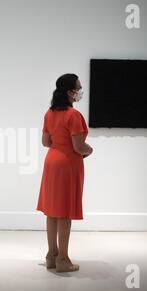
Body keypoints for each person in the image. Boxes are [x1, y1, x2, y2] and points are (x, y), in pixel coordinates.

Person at [36, 73, 93, 272]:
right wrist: (90, 150)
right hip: (67, 165)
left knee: (52, 211)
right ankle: (63, 259)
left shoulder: (49, 113)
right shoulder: (73, 115)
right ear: (70, 92)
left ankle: (51, 255)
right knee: (65, 213)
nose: (80, 91)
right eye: (78, 88)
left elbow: (45, 142)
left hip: (51, 163)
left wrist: (59, 144)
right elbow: (79, 147)